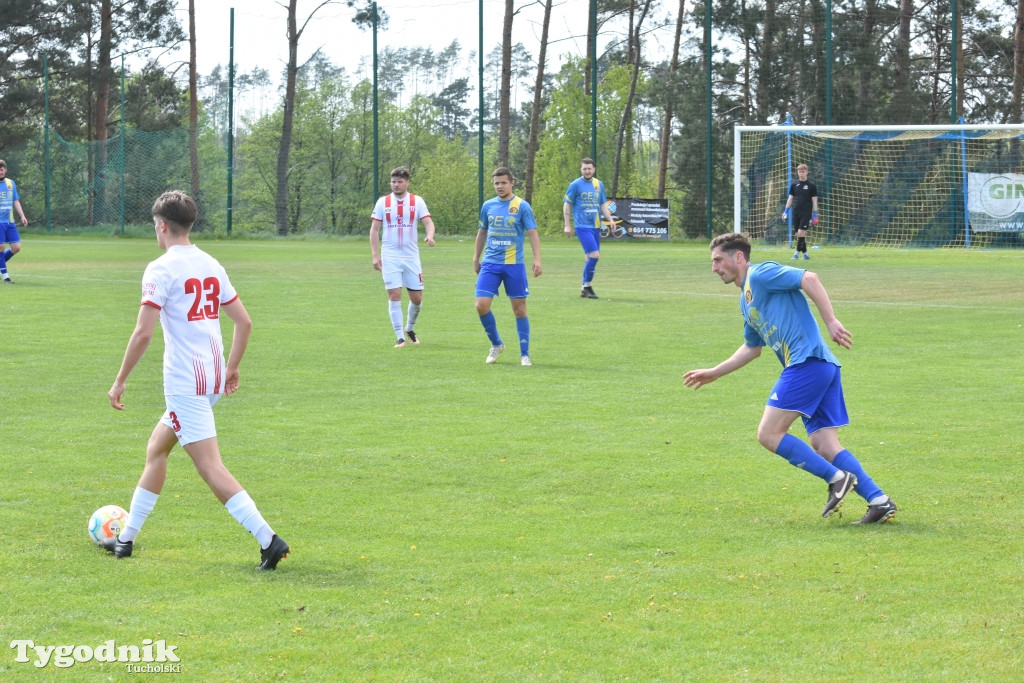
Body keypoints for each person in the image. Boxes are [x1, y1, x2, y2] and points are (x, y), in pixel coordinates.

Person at [106, 190, 290, 569]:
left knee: (210, 467)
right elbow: (244, 321)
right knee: (157, 449)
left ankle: (268, 540)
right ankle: (126, 539)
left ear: (161, 226)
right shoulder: (210, 263)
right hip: (212, 378)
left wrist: (120, 379)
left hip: (185, 383)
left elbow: (143, 334)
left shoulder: (160, 268)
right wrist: (233, 367)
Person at [683, 232, 896, 524]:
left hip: (806, 363)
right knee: (824, 444)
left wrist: (831, 321)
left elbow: (810, 278)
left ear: (739, 257)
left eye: (718, 260)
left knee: (768, 434)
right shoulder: (746, 301)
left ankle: (836, 479)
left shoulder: (760, 274)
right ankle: (879, 500)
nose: (714, 268)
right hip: (821, 367)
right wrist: (714, 373)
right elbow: (752, 348)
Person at [474, 167, 542, 366]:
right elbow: (482, 232)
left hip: (514, 265)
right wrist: (475, 257)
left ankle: (524, 354)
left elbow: (533, 233)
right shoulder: (488, 206)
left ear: (512, 183)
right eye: (496, 183)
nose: (500, 186)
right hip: (490, 263)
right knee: (481, 305)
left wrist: (537, 259)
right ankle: (496, 344)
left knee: (520, 310)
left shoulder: (522, 206)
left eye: (503, 182)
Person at [370, 166, 436, 348]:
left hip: (411, 257)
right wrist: (375, 256)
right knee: (394, 295)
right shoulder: (383, 202)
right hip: (390, 255)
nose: (396, 185)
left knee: (417, 299)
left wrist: (430, 235)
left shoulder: (417, 201)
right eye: (393, 181)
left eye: (399, 181)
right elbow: (374, 230)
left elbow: (429, 222)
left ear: (407, 182)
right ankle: (399, 338)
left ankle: (410, 329)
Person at [563, 157, 616, 298]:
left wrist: (610, 219)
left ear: (594, 169)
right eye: (584, 168)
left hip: (596, 226)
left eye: (589, 168)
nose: (587, 171)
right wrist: (567, 225)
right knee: (595, 255)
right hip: (582, 226)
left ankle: (584, 289)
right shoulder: (575, 185)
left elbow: (602, 205)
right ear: (581, 170)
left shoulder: (599, 184)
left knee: (589, 257)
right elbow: (567, 204)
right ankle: (587, 287)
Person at [0, 160, 29, 283]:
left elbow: (15, 200)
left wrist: (22, 215)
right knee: (1, 247)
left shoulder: (10, 183)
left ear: (5, 170)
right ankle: (5, 276)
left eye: (1, 169)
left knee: (16, 247)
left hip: (10, 222)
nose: (0, 171)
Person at [781, 163, 818, 260]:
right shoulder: (794, 184)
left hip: (806, 213)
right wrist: (785, 211)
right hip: (795, 212)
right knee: (798, 233)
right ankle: (805, 253)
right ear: (797, 172)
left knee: (801, 232)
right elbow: (790, 198)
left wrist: (815, 214)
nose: (801, 173)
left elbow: (814, 201)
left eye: (803, 172)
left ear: (807, 172)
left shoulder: (811, 186)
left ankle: (796, 253)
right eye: (799, 172)